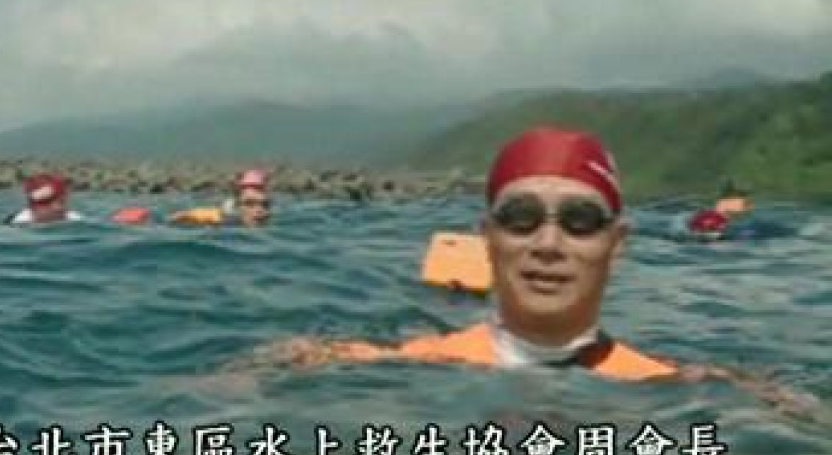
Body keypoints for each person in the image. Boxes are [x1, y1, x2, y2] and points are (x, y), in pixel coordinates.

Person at [261, 127, 821, 409]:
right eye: (521, 218)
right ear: (488, 238)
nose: (547, 244)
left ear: (616, 244)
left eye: (579, 221)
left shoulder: (687, 393)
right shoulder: (378, 370)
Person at [168, 169, 272, 228]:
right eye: (250, 204)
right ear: (237, 207)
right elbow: (177, 217)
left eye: (265, 204)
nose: (259, 210)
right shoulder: (221, 221)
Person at [5, 173, 84, 225]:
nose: (60, 208)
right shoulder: (17, 221)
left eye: (62, 202)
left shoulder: (74, 219)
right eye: (59, 202)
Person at [687, 179, 753, 240]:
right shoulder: (712, 220)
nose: (750, 207)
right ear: (727, 202)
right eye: (745, 204)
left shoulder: (713, 217)